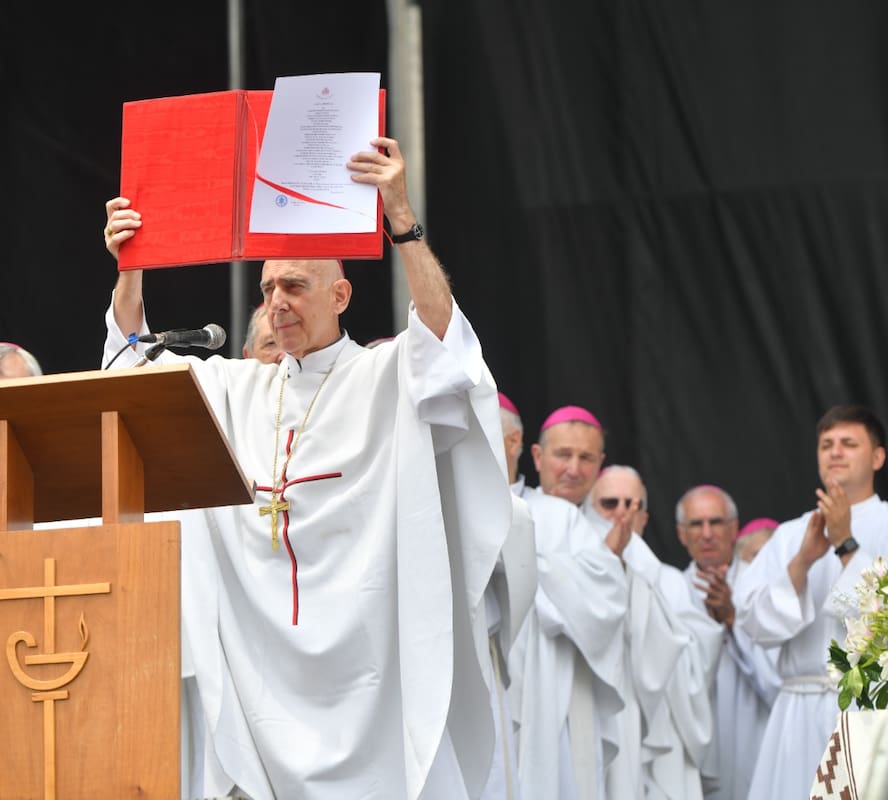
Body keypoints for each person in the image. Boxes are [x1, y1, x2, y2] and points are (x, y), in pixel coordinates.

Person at [102, 135, 528, 800]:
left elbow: (447, 351)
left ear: (341, 294)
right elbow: (130, 373)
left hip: (367, 674)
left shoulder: (386, 376)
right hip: (263, 678)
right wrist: (133, 266)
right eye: (269, 287)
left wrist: (401, 217)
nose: (277, 303)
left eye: (295, 286)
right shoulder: (239, 389)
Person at [733, 405, 888, 800]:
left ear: (877, 457)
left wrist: (845, 544)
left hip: (870, 708)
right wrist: (802, 561)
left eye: (848, 443)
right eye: (827, 444)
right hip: (797, 710)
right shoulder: (791, 535)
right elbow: (752, 620)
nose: (835, 452)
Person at [497, 391, 629, 800]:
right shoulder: (442, 508)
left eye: (586, 458)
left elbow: (605, 599)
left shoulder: (556, 516)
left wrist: (517, 555)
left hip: (545, 693)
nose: (572, 469)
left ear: (515, 444)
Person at [585, 466, 724, 800]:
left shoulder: (671, 581)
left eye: (632, 505)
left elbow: (699, 657)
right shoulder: (578, 572)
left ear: (644, 518)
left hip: (662, 726)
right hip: (599, 719)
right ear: (589, 511)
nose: (621, 514)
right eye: (610, 503)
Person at [676, 486, 779, 800]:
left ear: (734, 529)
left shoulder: (764, 583)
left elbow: (781, 678)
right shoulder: (669, 589)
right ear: (681, 534)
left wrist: (734, 619)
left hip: (756, 738)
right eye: (696, 524)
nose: (707, 534)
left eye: (716, 522)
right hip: (696, 749)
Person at [532, 405, 606, 505]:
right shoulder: (514, 516)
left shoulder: (610, 519)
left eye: (585, 458)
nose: (574, 471)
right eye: (564, 455)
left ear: (599, 463)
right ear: (538, 457)